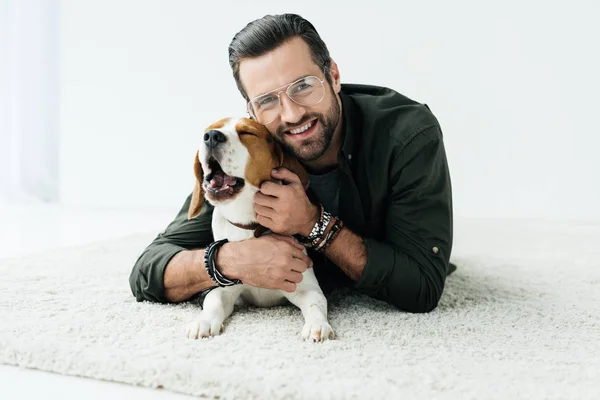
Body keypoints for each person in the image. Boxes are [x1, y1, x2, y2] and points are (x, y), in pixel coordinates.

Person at [129, 13, 454, 313]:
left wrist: (313, 223)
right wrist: (230, 260)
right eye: (267, 99)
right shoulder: (257, 149)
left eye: (303, 86)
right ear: (253, 111)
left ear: (334, 76)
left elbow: (422, 288)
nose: (291, 113)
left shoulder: (408, 135)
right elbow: (148, 270)